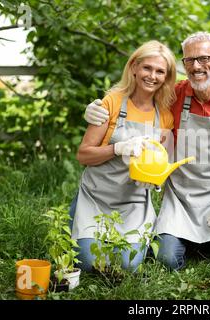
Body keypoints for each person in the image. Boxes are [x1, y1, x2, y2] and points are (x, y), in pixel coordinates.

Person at [84, 32, 210, 271]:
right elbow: (137, 96)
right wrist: (97, 109)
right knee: (166, 259)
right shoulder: (172, 95)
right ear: (183, 64)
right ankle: (189, 240)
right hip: (180, 201)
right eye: (189, 60)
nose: (196, 66)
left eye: (204, 58)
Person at [70, 40, 176, 272]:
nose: (152, 76)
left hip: (134, 203)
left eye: (160, 71)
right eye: (147, 68)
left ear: (166, 77)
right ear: (134, 68)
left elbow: (161, 165)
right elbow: (83, 155)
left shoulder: (165, 117)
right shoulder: (112, 102)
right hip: (96, 199)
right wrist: (117, 149)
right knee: (92, 265)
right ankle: (75, 217)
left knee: (127, 267)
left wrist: (155, 180)